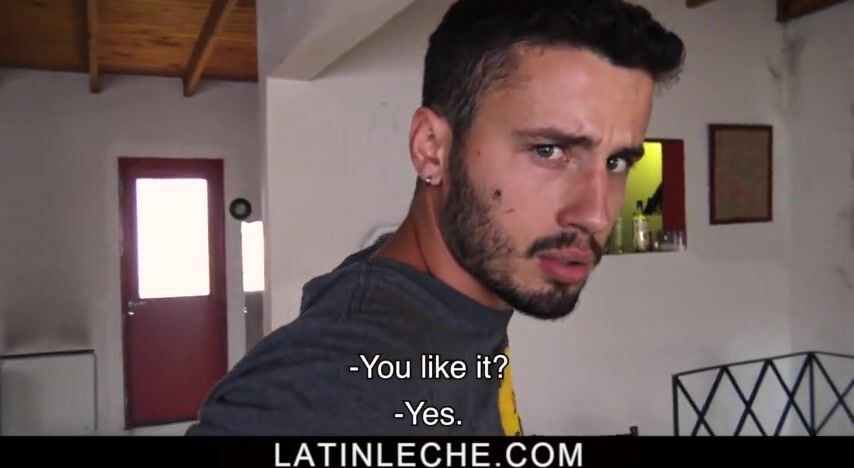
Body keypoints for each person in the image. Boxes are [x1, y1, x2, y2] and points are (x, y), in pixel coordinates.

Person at [186, 0, 684, 436]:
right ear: (432, 149)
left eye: (618, 162)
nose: (597, 214)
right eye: (549, 150)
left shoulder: (445, 296)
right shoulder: (337, 383)